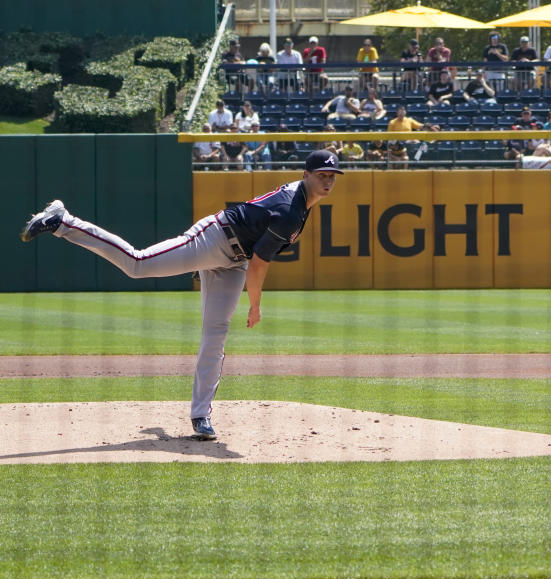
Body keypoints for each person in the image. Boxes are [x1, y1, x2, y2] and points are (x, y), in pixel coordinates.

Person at [18, 150, 343, 440]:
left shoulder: (300, 201)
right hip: (214, 238)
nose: (328, 181)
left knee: (215, 334)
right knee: (137, 263)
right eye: (322, 175)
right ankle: (65, 221)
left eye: (332, 175)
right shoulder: (290, 212)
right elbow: (259, 266)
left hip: (233, 261)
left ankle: (201, 415)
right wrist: (255, 306)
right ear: (306, 175)